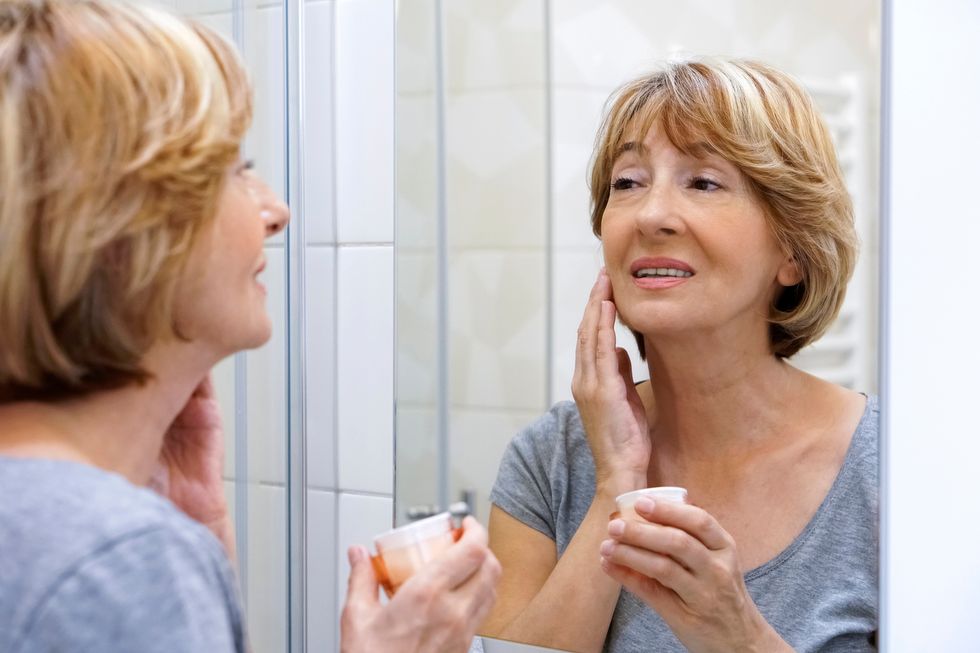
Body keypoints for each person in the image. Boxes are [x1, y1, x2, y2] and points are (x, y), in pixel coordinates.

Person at [0, 1, 498, 652]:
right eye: (236, 171)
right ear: (122, 228)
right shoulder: (115, 559)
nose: (275, 211)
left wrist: (196, 542)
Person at [482, 58, 877, 652]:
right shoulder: (551, 461)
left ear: (793, 252)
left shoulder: (894, 472)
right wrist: (615, 484)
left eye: (703, 182)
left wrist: (739, 638)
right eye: (628, 182)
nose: (651, 215)